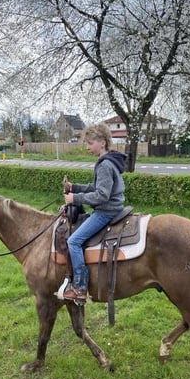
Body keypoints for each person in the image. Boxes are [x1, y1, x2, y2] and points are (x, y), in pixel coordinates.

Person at [62, 122, 127, 302]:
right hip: (114, 208)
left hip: (106, 212)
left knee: (73, 241)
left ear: (102, 143)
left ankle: (80, 288)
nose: (87, 147)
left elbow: (101, 195)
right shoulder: (110, 161)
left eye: (90, 143)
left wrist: (75, 199)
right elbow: (96, 187)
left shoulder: (105, 165)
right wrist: (74, 187)